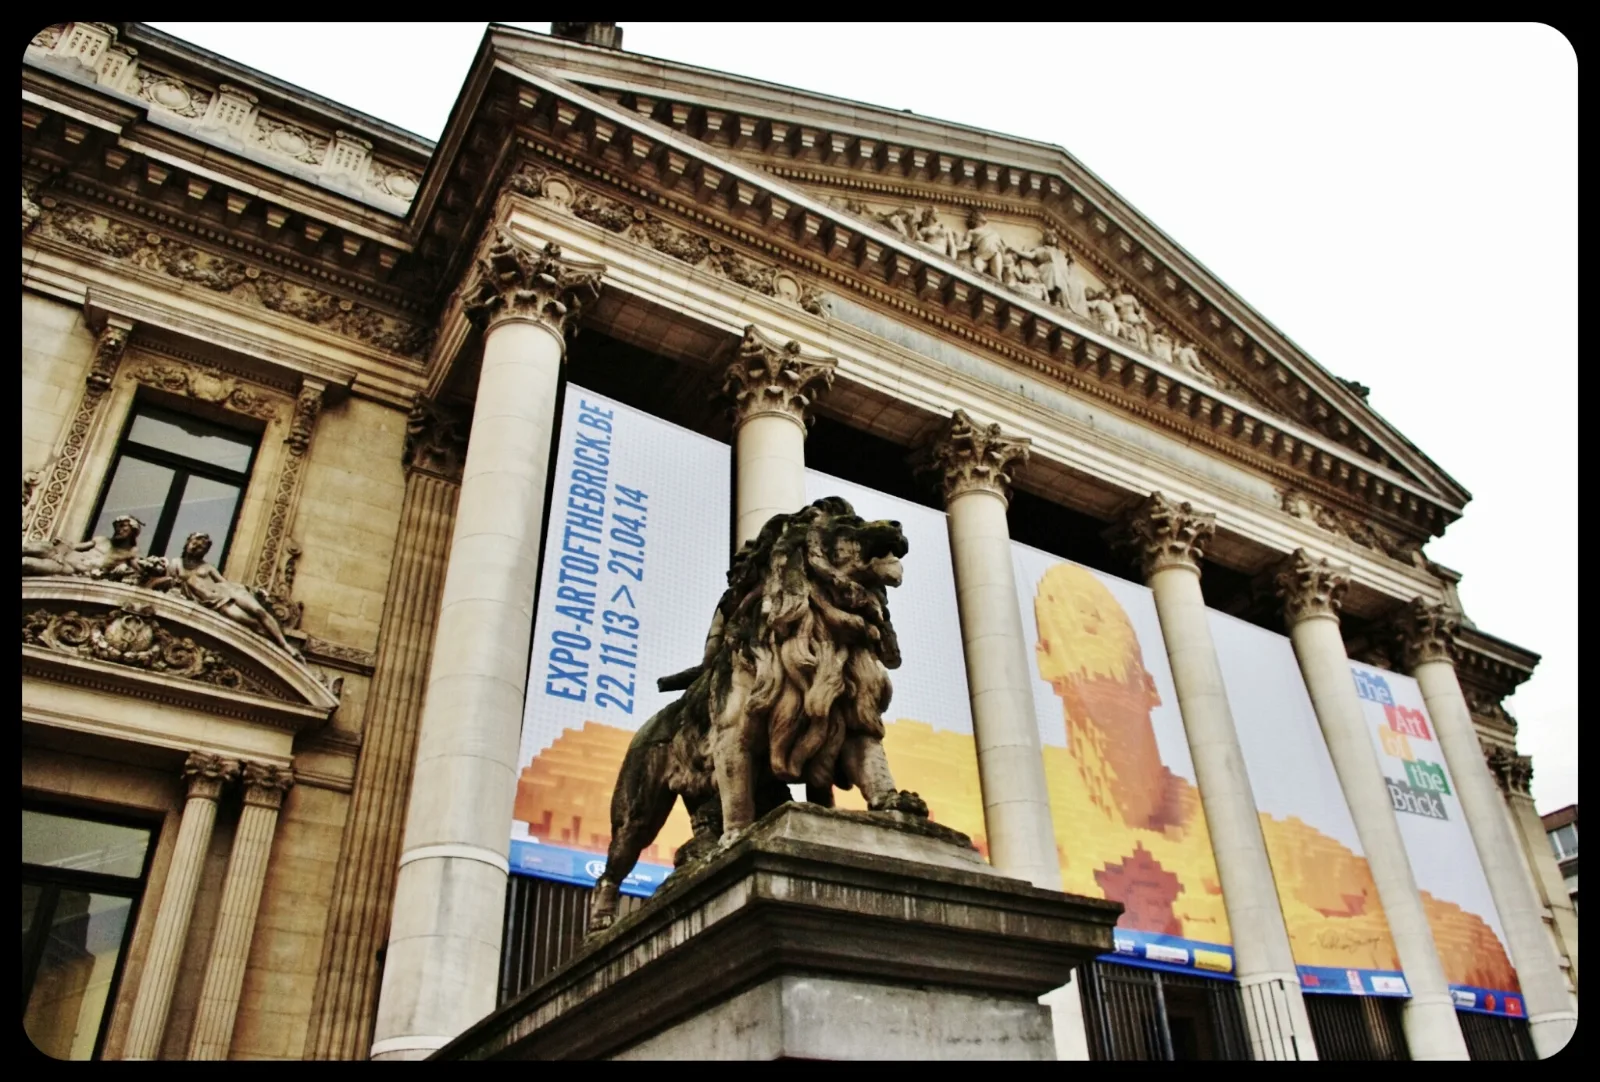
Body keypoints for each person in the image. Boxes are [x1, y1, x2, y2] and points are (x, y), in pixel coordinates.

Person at [143, 531, 299, 657]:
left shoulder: (208, 567)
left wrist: (249, 590)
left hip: (227, 591)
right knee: (251, 622)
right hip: (215, 602)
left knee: (259, 611)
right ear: (187, 543)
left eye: (202, 546)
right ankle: (272, 648)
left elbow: (224, 582)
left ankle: (285, 645)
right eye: (195, 543)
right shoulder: (176, 563)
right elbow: (172, 583)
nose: (198, 547)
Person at [23, 514, 144, 579]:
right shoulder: (101, 540)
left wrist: (123, 568)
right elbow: (73, 546)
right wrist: (62, 548)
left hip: (68, 568)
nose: (118, 529)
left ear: (133, 531)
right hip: (62, 555)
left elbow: (140, 571)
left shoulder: (130, 552)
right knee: (28, 548)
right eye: (117, 526)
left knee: (27, 563)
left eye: (123, 526)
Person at [955, 208, 1007, 279]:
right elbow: (966, 245)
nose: (984, 215)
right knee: (977, 269)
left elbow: (1004, 247)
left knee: (998, 276)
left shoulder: (992, 231)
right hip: (982, 257)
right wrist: (957, 248)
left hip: (995, 253)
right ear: (976, 218)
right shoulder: (972, 232)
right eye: (981, 214)